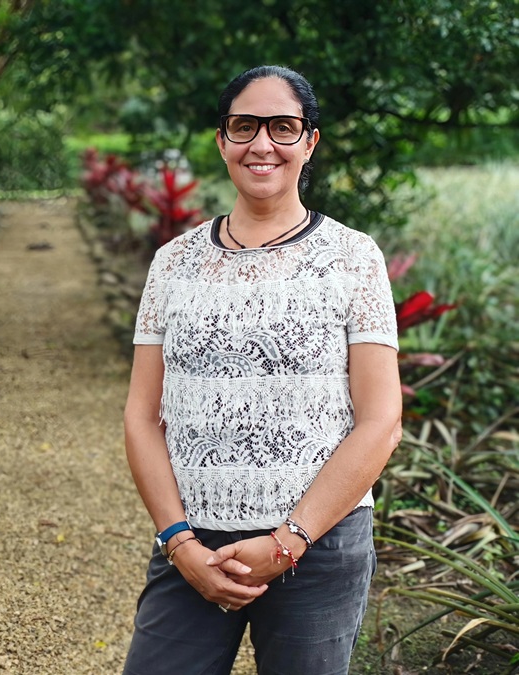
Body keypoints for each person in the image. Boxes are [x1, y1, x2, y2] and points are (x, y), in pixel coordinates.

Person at [122, 65, 402, 675]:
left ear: (310, 142)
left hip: (319, 546)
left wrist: (288, 542)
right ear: (222, 140)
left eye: (283, 127)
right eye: (244, 126)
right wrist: (179, 542)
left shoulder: (353, 258)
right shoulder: (173, 263)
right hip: (193, 544)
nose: (262, 144)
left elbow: (381, 421)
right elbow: (142, 417)